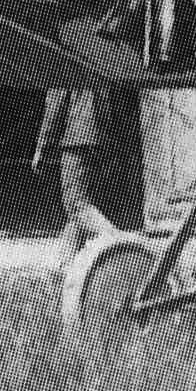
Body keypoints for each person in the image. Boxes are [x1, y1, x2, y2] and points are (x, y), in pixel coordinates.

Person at [33, 88, 120, 266]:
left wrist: (42, 146)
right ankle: (63, 265)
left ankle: (120, 243)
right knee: (79, 210)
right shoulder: (97, 62)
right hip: (98, 141)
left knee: (77, 205)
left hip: (77, 140)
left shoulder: (64, 64)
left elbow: (55, 106)